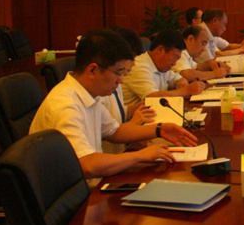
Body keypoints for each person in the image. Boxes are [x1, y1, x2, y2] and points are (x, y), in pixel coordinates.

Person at [29, 29, 198, 180]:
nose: (121, 81)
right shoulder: (66, 106)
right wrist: (140, 155)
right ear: (93, 70)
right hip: (78, 195)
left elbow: (114, 131)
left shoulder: (90, 94)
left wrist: (159, 129)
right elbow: (87, 165)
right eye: (118, 73)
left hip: (91, 183)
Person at [102, 26, 156, 154]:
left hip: (120, 151)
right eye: (131, 59)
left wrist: (136, 108)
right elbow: (108, 133)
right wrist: (134, 123)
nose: (134, 64)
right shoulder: (102, 87)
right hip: (110, 155)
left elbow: (115, 114)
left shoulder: (115, 78)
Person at [121, 30, 207, 107]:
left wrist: (182, 83)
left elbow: (177, 78)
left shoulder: (160, 65)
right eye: (175, 57)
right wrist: (187, 91)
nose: (174, 63)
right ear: (160, 50)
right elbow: (152, 98)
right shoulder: (139, 67)